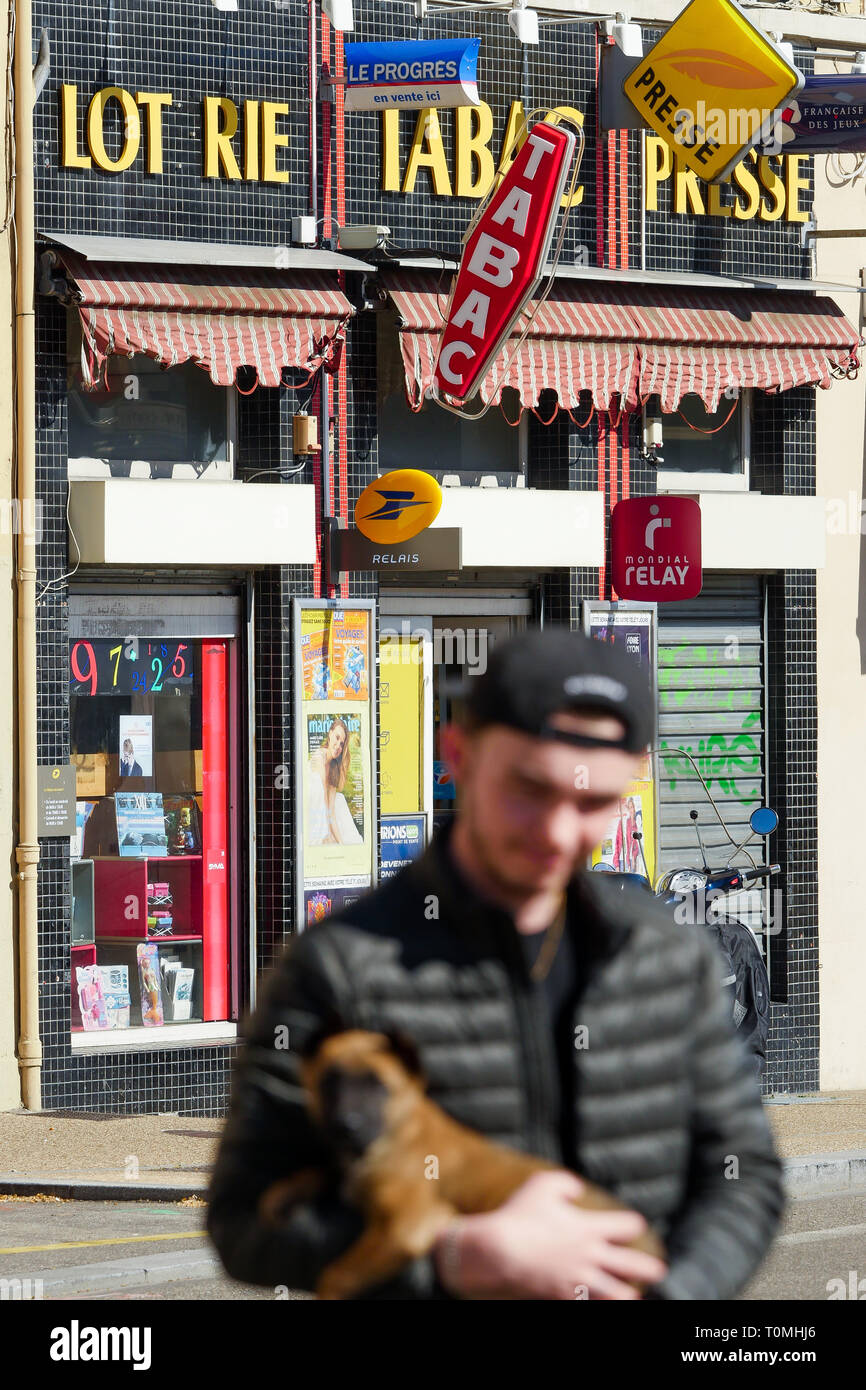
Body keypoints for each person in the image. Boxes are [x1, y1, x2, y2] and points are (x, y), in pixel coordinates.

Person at [208, 628, 784, 1300]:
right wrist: (451, 1260)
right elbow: (243, 1220)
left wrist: (672, 1291)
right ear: (459, 756)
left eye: (594, 802)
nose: (558, 831)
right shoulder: (339, 967)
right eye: (529, 789)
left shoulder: (666, 955)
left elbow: (744, 1177)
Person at [305, 717, 362, 847]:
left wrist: (340, 842)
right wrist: (328, 832)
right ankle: (323, 835)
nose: (338, 746)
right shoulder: (319, 756)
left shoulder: (333, 768)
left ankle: (348, 842)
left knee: (339, 799)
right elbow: (322, 798)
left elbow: (330, 809)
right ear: (330, 734)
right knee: (319, 788)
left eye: (342, 744)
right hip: (308, 803)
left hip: (320, 806)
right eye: (337, 738)